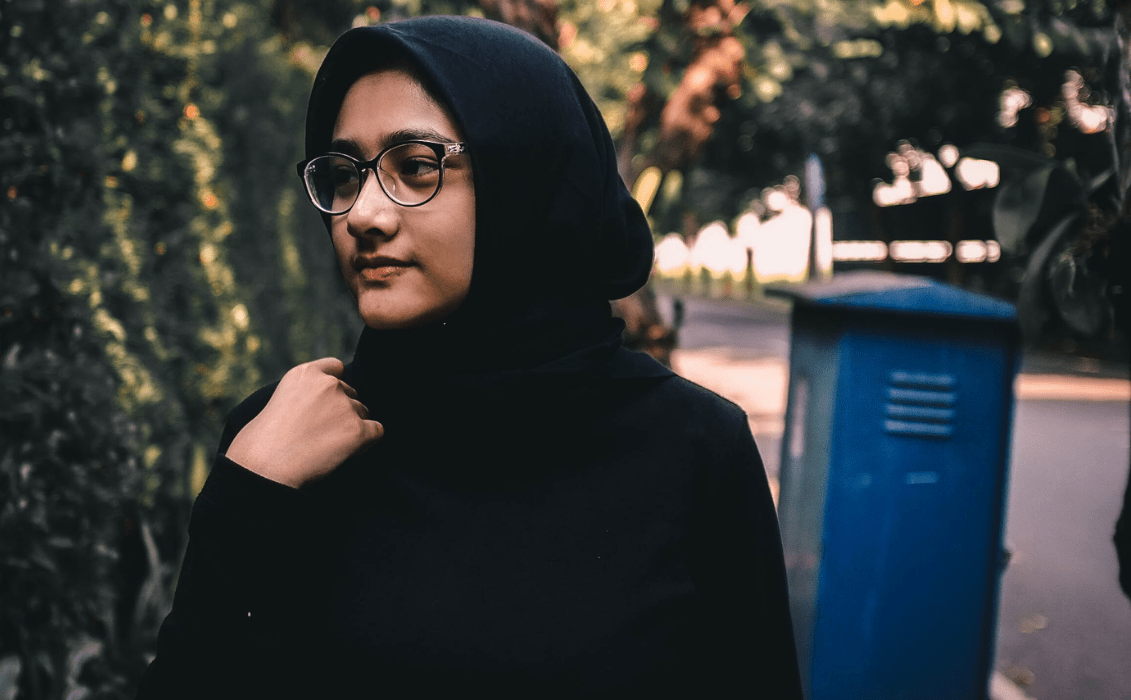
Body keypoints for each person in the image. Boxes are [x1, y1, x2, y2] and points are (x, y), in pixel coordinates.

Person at [136, 15, 802, 696]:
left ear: (527, 180)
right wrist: (246, 496)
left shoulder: (691, 448)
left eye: (417, 167)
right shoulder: (286, 444)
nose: (363, 214)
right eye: (343, 174)